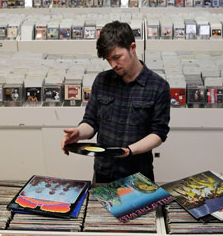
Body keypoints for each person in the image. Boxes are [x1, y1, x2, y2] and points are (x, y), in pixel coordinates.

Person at [61, 21, 170, 183]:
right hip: (103, 172)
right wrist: (79, 133)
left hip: (138, 175)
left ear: (132, 48)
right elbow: (91, 122)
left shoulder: (158, 86)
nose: (113, 65)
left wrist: (129, 151)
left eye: (117, 57)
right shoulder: (102, 80)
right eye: (108, 60)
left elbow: (158, 134)